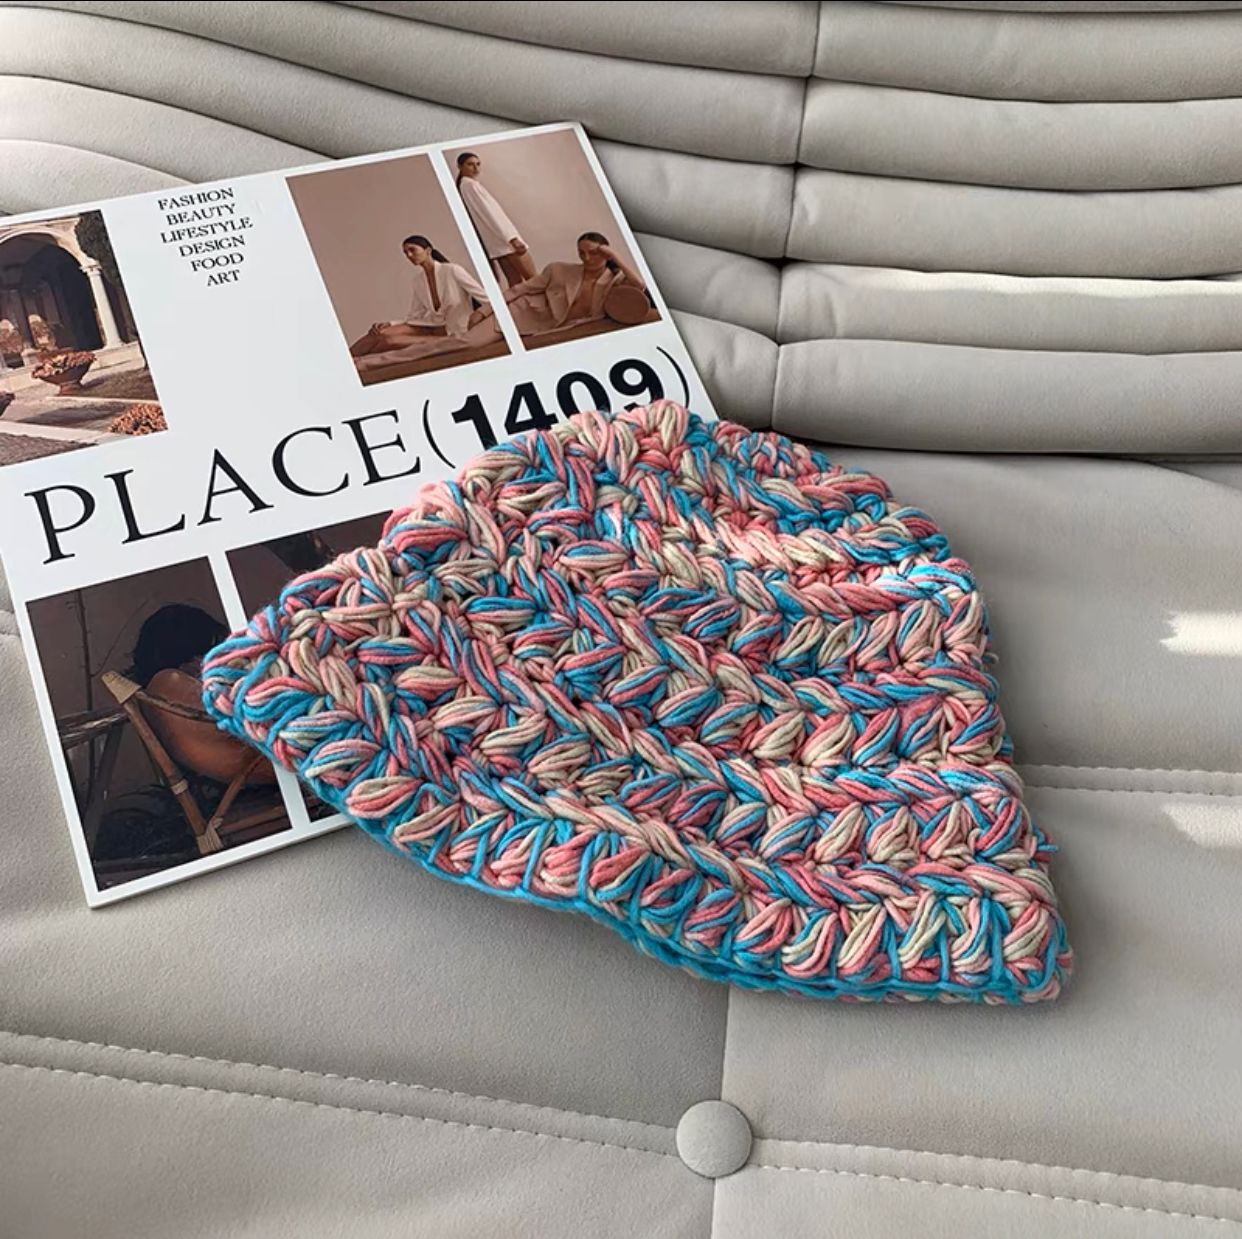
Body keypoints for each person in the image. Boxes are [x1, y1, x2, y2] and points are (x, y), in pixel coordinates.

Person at [349, 235, 494, 358]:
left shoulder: (453, 270)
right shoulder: (417, 281)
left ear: (428, 250)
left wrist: (479, 315)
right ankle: (346, 359)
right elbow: (415, 315)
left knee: (389, 341)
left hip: (454, 331)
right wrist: (392, 323)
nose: (409, 255)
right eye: (405, 252)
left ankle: (351, 362)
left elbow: (488, 299)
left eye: (412, 250)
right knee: (380, 333)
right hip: (431, 325)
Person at [504, 231, 646, 336]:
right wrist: (491, 309)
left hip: (560, 329)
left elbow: (639, 286)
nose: (587, 258)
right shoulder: (559, 270)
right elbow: (521, 288)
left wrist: (615, 256)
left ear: (606, 253)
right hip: (526, 315)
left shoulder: (614, 280)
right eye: (582, 253)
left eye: (593, 253)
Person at [455, 151, 536, 287]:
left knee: (515, 284)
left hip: (497, 245)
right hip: (506, 242)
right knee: (535, 281)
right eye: (470, 164)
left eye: (478, 164)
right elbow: (490, 214)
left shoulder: (466, 187)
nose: (476, 168)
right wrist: (512, 239)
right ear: (460, 166)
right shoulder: (470, 186)